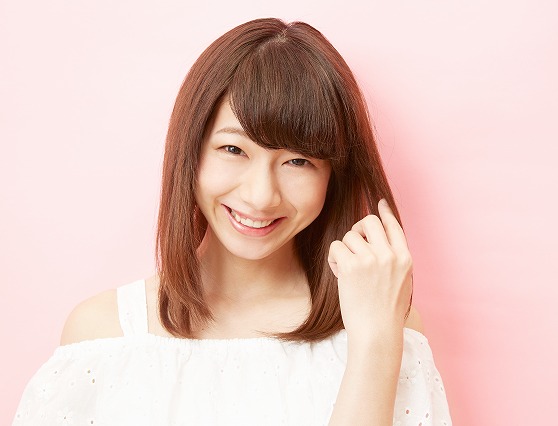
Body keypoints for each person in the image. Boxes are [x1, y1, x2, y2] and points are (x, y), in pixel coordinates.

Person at [13, 18, 452, 425]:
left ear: (332, 177)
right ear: (191, 151)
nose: (261, 196)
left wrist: (374, 342)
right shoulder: (105, 337)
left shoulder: (383, 326)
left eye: (298, 161)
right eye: (234, 150)